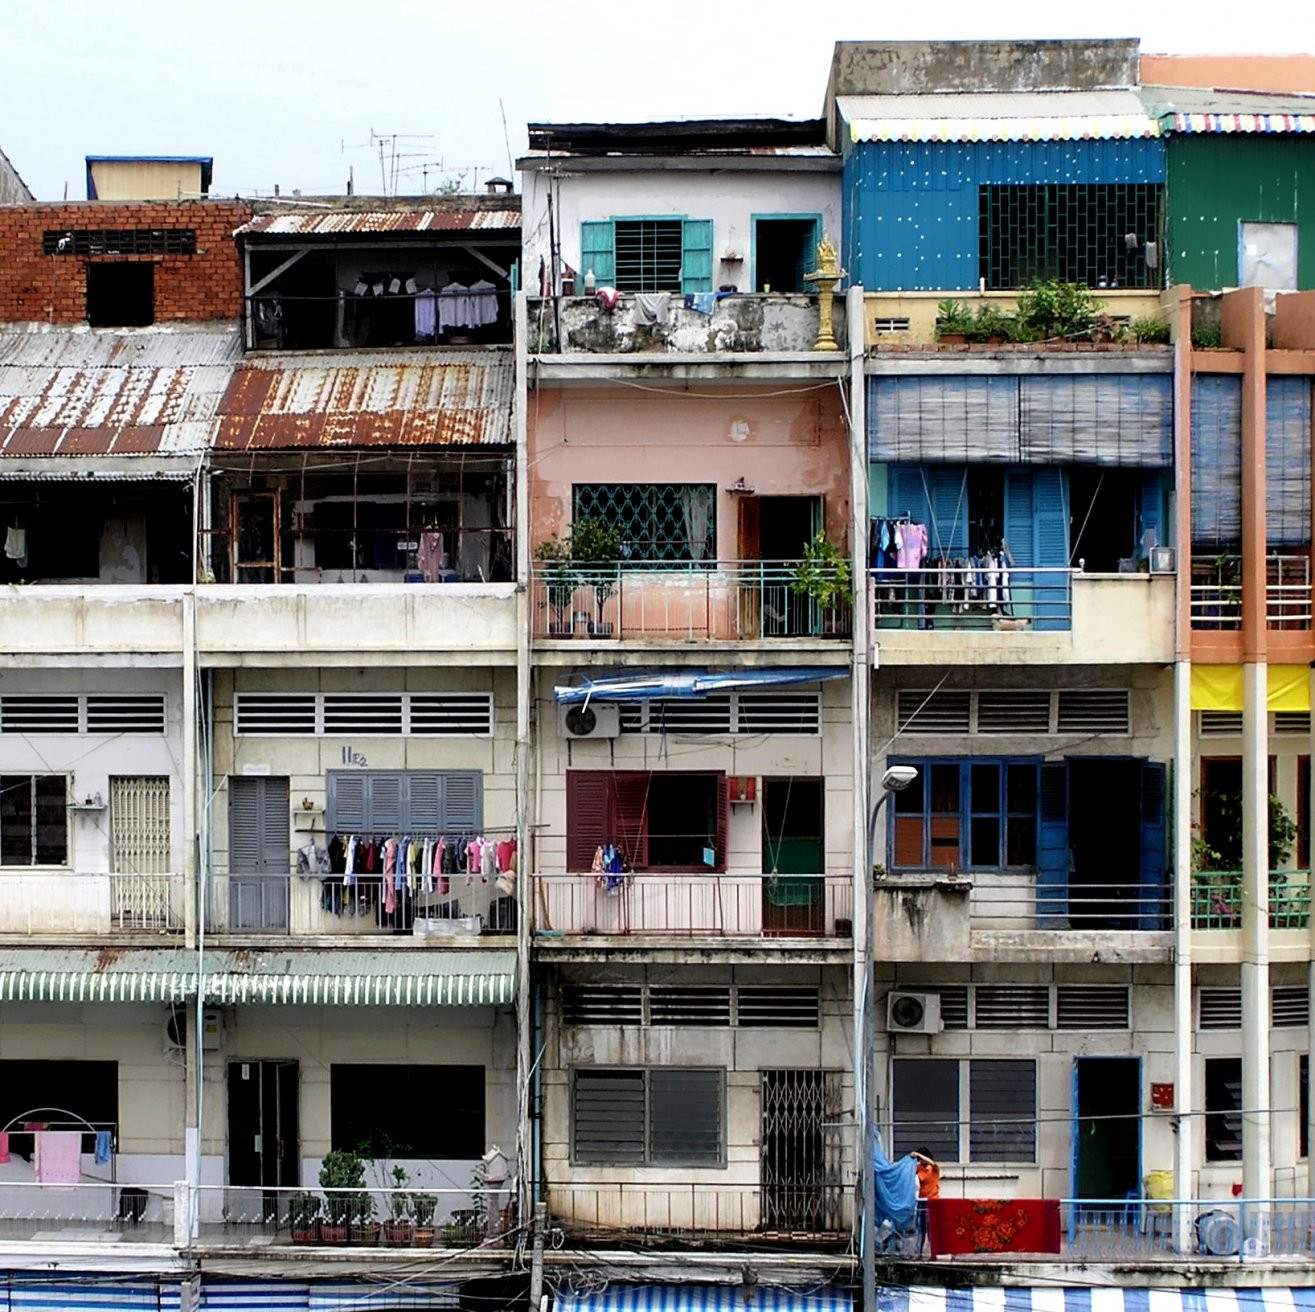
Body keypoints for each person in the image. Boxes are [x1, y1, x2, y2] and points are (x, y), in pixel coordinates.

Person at [911, 1147, 940, 1254]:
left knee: (932, 1228)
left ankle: (934, 1253)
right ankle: (919, 1252)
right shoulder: (919, 1168)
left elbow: (932, 1163)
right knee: (921, 1228)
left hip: (933, 1201)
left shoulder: (934, 1168)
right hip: (922, 1200)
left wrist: (919, 1155)